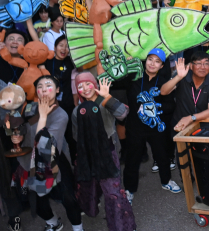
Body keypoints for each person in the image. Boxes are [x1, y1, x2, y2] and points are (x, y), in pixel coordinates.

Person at [16, 75, 83, 231]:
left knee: (68, 199)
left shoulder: (61, 115)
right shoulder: (31, 108)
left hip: (55, 161)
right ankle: (53, 223)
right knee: (37, 200)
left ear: (58, 90)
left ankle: (78, 228)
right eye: (40, 86)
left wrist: (44, 116)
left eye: (48, 85)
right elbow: (16, 126)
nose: (44, 89)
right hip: (31, 161)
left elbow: (45, 146)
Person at [71, 74, 135, 231]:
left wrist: (107, 97)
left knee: (113, 191)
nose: (85, 88)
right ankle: (91, 208)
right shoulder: (77, 110)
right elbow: (76, 135)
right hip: (88, 154)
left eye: (88, 84)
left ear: (95, 84)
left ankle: (123, 226)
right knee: (90, 184)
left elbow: (123, 114)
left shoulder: (103, 102)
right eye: (80, 86)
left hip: (107, 152)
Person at [123, 48, 181, 205]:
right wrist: (124, 64)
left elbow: (171, 105)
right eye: (150, 59)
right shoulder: (133, 78)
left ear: (162, 66)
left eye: (157, 61)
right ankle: (129, 189)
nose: (152, 64)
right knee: (132, 159)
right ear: (145, 61)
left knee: (162, 155)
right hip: (135, 127)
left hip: (157, 128)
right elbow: (113, 80)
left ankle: (166, 181)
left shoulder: (164, 82)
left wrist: (157, 107)